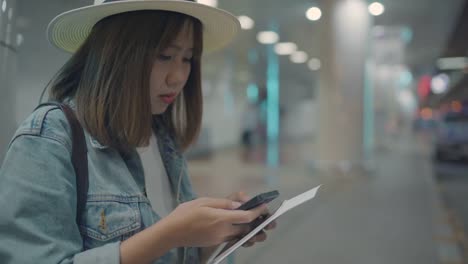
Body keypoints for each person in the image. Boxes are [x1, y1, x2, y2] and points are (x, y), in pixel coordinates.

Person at [0, 0, 276, 263]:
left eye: (187, 59)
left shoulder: (162, 138)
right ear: (115, 52)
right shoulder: (51, 137)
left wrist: (220, 231)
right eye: (165, 56)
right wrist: (170, 234)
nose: (178, 76)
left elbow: (179, 254)